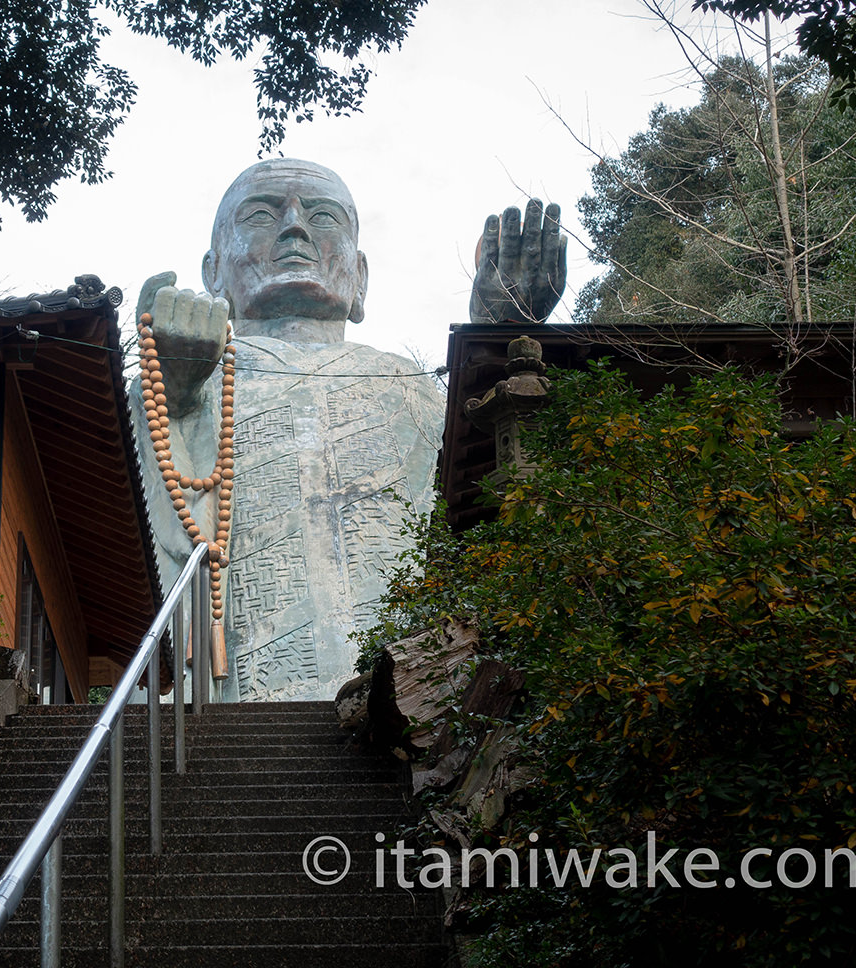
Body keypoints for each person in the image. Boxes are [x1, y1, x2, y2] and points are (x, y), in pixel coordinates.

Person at [135, 158, 563, 701]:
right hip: (241, 681)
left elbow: (478, 495)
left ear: (360, 278)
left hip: (403, 686)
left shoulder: (406, 381)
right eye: (263, 215)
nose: (294, 227)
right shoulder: (195, 376)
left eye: (323, 216)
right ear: (212, 271)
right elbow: (147, 524)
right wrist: (172, 392)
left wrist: (500, 334)